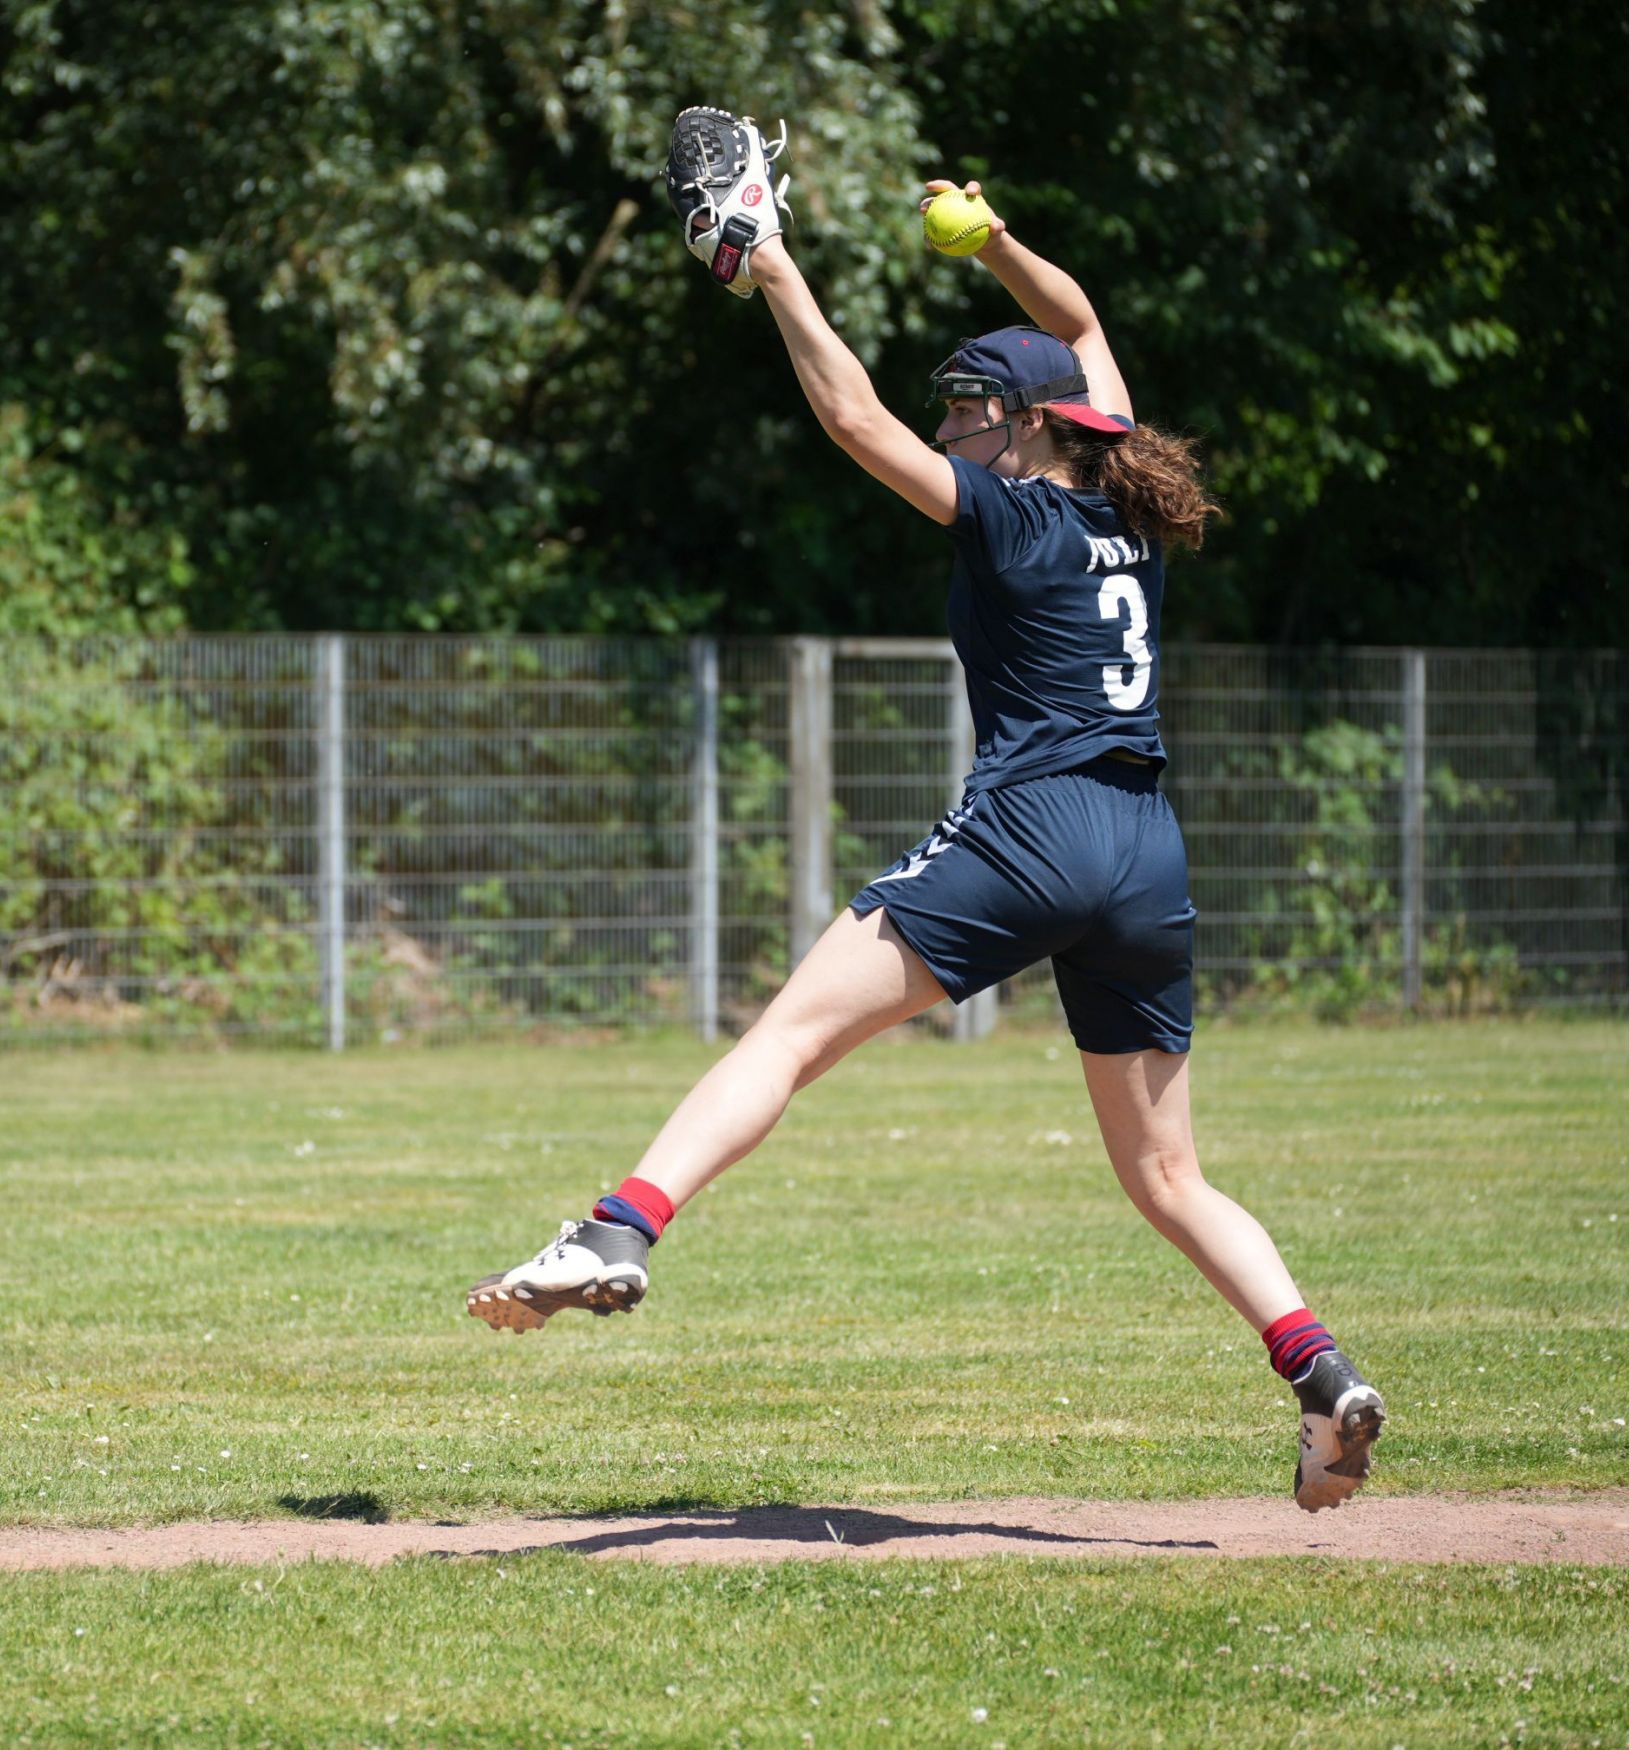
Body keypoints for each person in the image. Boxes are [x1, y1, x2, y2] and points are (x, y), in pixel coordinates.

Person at [467, 111, 1385, 1512]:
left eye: (967, 406)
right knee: (1165, 1175)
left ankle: (618, 1231)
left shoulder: (1014, 516)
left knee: (786, 1034)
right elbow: (1080, 323)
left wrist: (770, 261)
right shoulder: (1124, 508)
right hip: (1144, 854)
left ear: (1030, 426)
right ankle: (1322, 1378)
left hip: (1031, 828)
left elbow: (851, 421)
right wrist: (996, 241)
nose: (948, 422)